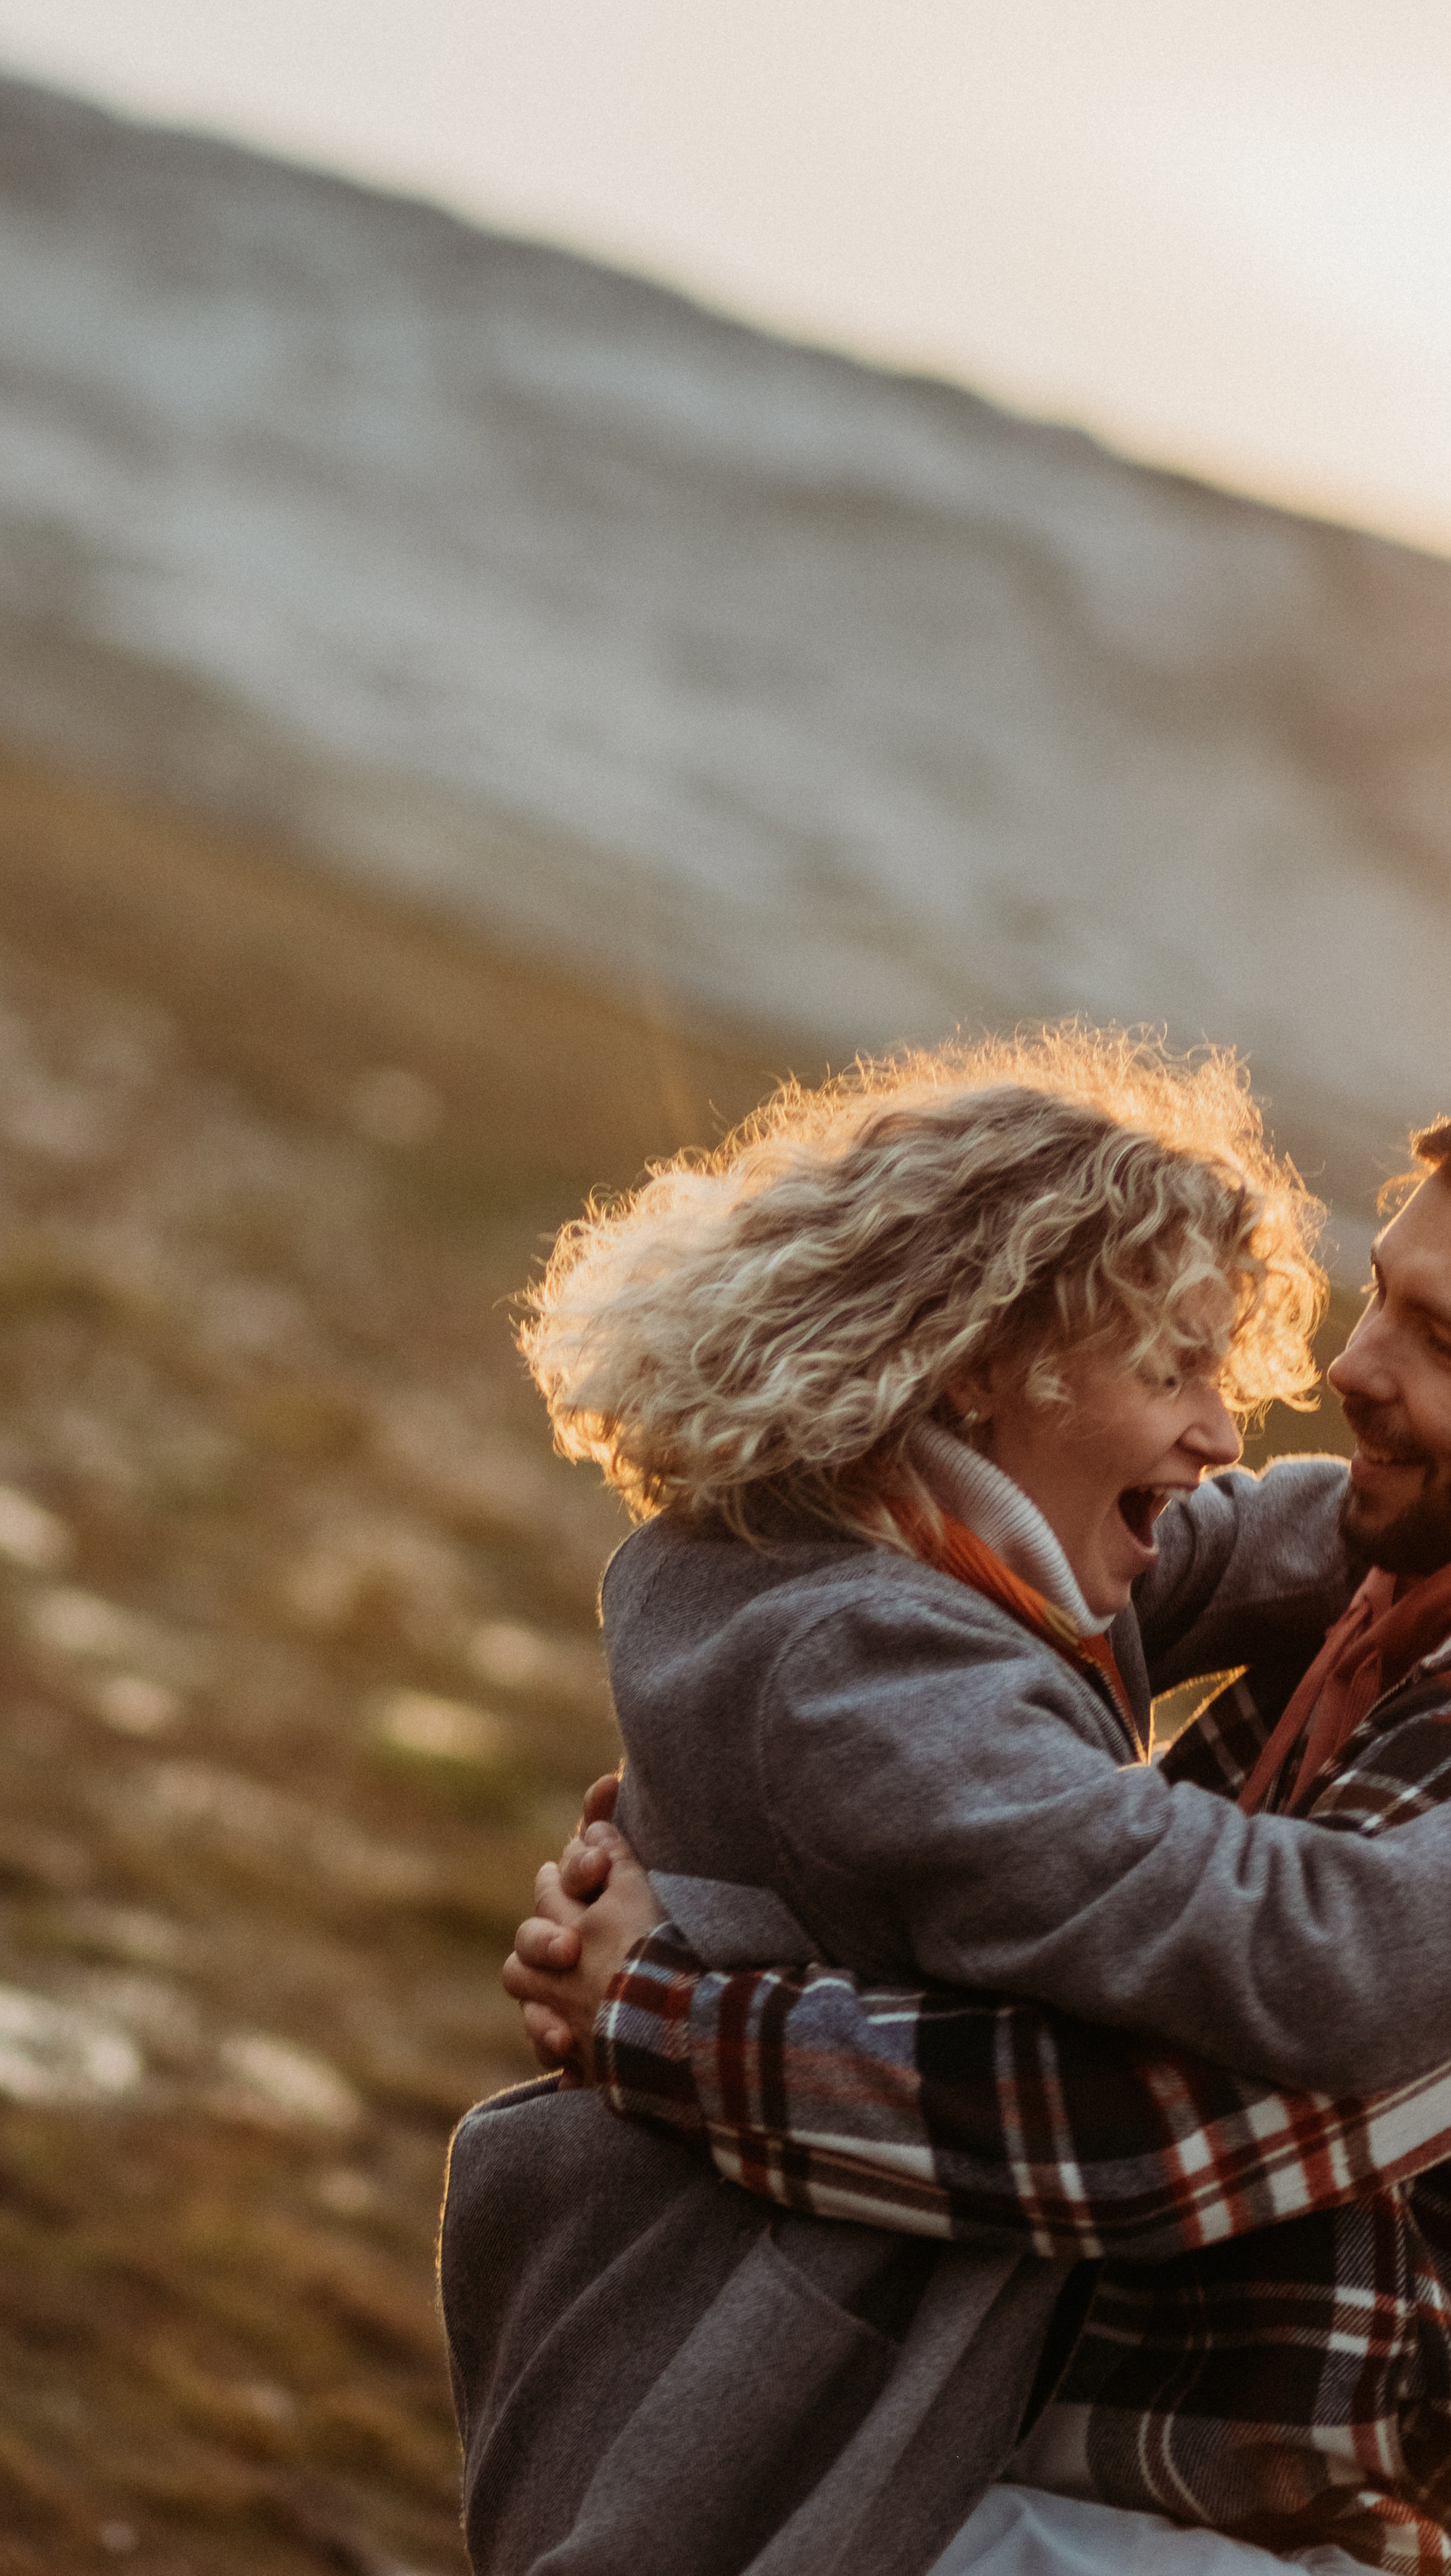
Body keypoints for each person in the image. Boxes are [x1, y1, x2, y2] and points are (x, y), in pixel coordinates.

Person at [439, 1045, 1451, 2576]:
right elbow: (1253, 1923)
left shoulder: (884, 1559)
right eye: (1170, 1369)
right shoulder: (876, 1647)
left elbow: (1262, 1547)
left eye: (1436, 1336)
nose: (1260, 1414)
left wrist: (652, 2009)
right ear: (982, 1367)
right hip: (746, 2332)